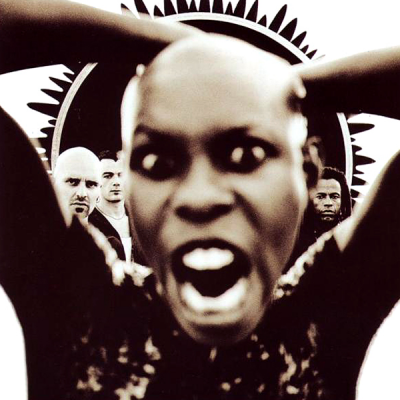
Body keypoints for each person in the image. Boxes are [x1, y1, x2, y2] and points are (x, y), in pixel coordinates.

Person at [2, 1, 400, 399]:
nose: (200, 197)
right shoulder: (76, 304)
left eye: (246, 156)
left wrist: (285, 85)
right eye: (157, 162)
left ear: (308, 170)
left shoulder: (326, 318)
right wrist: (170, 42)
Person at [53, 147, 101, 225]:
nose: (82, 194)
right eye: (72, 182)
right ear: (54, 185)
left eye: (91, 184)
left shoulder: (106, 232)